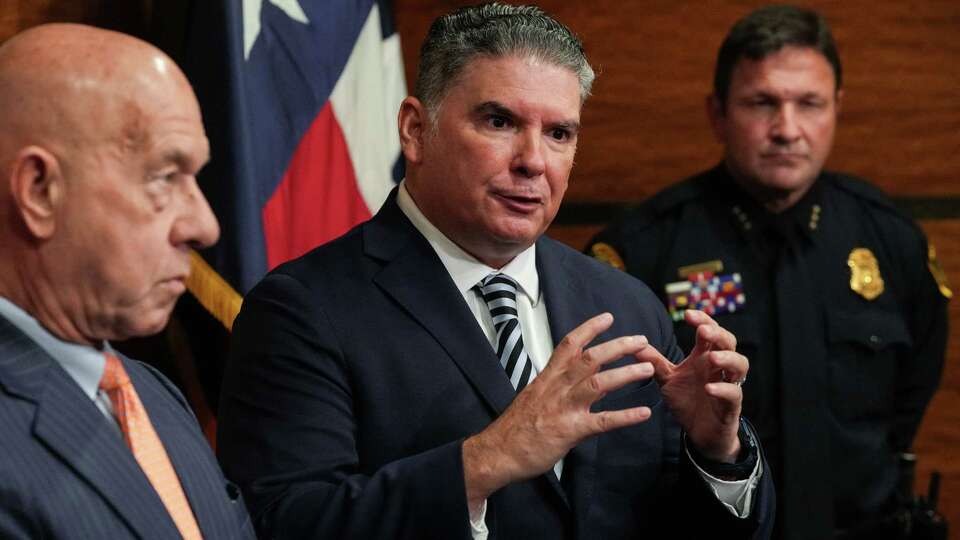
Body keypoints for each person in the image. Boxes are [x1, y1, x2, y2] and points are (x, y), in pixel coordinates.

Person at [219, 3, 774, 538]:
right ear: (415, 130)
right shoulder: (302, 309)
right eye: (499, 120)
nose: (533, 159)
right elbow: (283, 522)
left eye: (559, 133)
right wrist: (484, 462)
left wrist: (717, 454)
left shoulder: (625, 306)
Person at [587, 5, 949, 539]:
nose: (787, 129)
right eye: (762, 103)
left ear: (837, 109)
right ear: (718, 114)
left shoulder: (891, 239)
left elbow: (913, 388)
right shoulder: (644, 249)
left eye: (809, 104)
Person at [0, 24, 254, 539]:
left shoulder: (152, 394)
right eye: (165, 176)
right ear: (40, 190)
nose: (205, 226)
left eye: (197, 179)